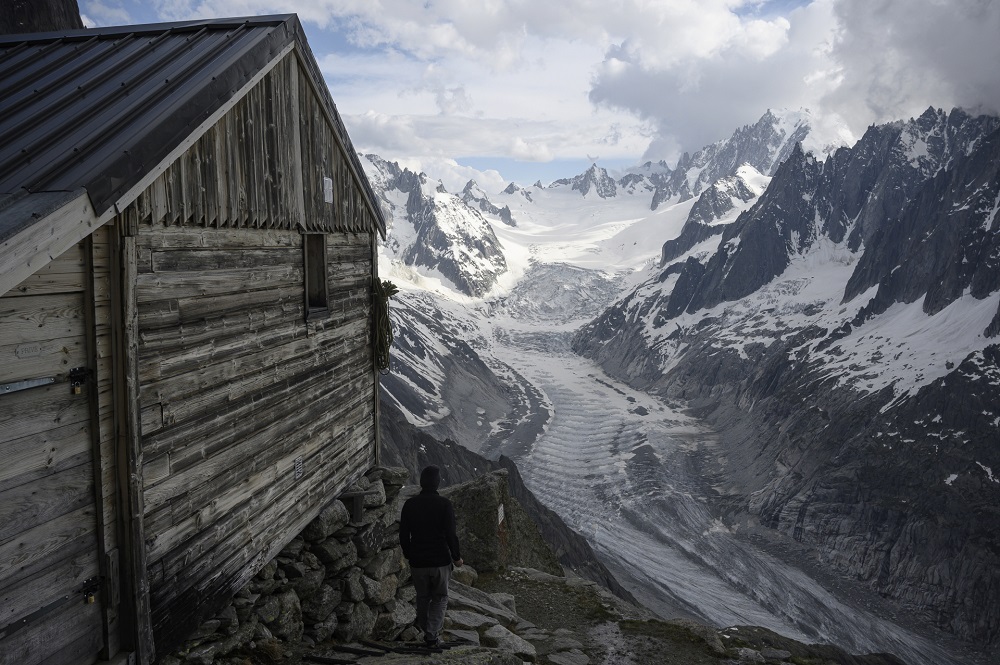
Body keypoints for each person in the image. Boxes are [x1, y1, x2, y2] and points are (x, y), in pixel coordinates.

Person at [399, 465, 463, 647]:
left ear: (421, 482)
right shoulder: (444, 504)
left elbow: (403, 534)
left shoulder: (410, 505)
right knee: (440, 597)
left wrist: (409, 553)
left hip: (418, 561)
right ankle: (432, 635)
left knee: (422, 597)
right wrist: (456, 557)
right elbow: (451, 534)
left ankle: (427, 631)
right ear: (437, 483)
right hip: (440, 561)